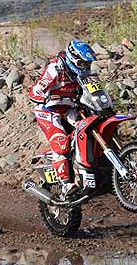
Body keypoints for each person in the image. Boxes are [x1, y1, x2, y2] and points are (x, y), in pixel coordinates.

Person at [29, 40, 97, 196]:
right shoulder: (55, 70)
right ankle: (66, 183)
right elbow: (34, 91)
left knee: (89, 128)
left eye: (87, 63)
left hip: (69, 109)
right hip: (48, 110)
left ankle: (85, 169)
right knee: (61, 143)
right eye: (82, 62)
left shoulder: (82, 74)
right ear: (73, 58)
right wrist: (47, 97)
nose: (85, 66)